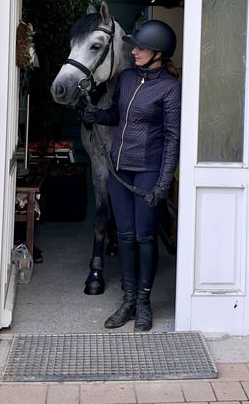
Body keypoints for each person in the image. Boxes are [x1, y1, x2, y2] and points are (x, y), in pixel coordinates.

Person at [81, 19, 181, 332]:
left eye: (140, 47)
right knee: (124, 237)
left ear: (159, 54)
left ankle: (144, 303)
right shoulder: (125, 78)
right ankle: (127, 301)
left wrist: (163, 184)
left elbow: (172, 137)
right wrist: (96, 114)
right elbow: (117, 115)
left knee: (145, 237)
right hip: (119, 171)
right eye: (134, 46)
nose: (133, 51)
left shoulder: (169, 88)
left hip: (148, 171)